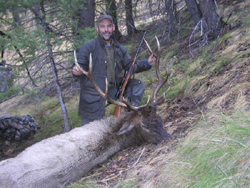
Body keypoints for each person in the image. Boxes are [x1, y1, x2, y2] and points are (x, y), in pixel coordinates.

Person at [73, 14, 156, 126]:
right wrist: (76, 70)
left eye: (109, 26)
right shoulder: (88, 47)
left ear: (113, 28)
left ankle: (130, 116)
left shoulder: (119, 48)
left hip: (113, 90)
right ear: (97, 28)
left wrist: (147, 63)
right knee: (89, 131)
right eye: (102, 26)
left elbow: (130, 65)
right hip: (93, 95)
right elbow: (79, 65)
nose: (106, 30)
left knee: (137, 85)